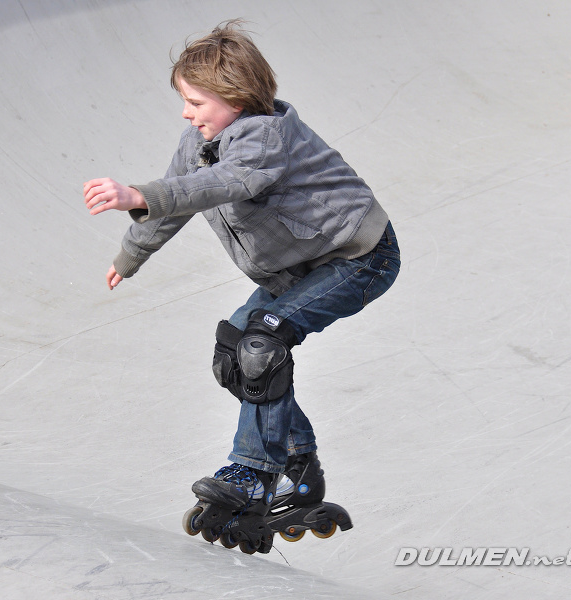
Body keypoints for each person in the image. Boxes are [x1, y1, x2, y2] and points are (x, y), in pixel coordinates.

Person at [83, 20, 400, 528]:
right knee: (235, 355)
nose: (186, 113)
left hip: (360, 257)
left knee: (261, 347)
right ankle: (298, 467)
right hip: (299, 268)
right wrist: (130, 256)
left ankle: (254, 473)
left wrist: (140, 195)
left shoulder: (265, 138)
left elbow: (223, 183)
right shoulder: (197, 143)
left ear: (235, 96)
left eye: (196, 102)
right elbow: (176, 201)